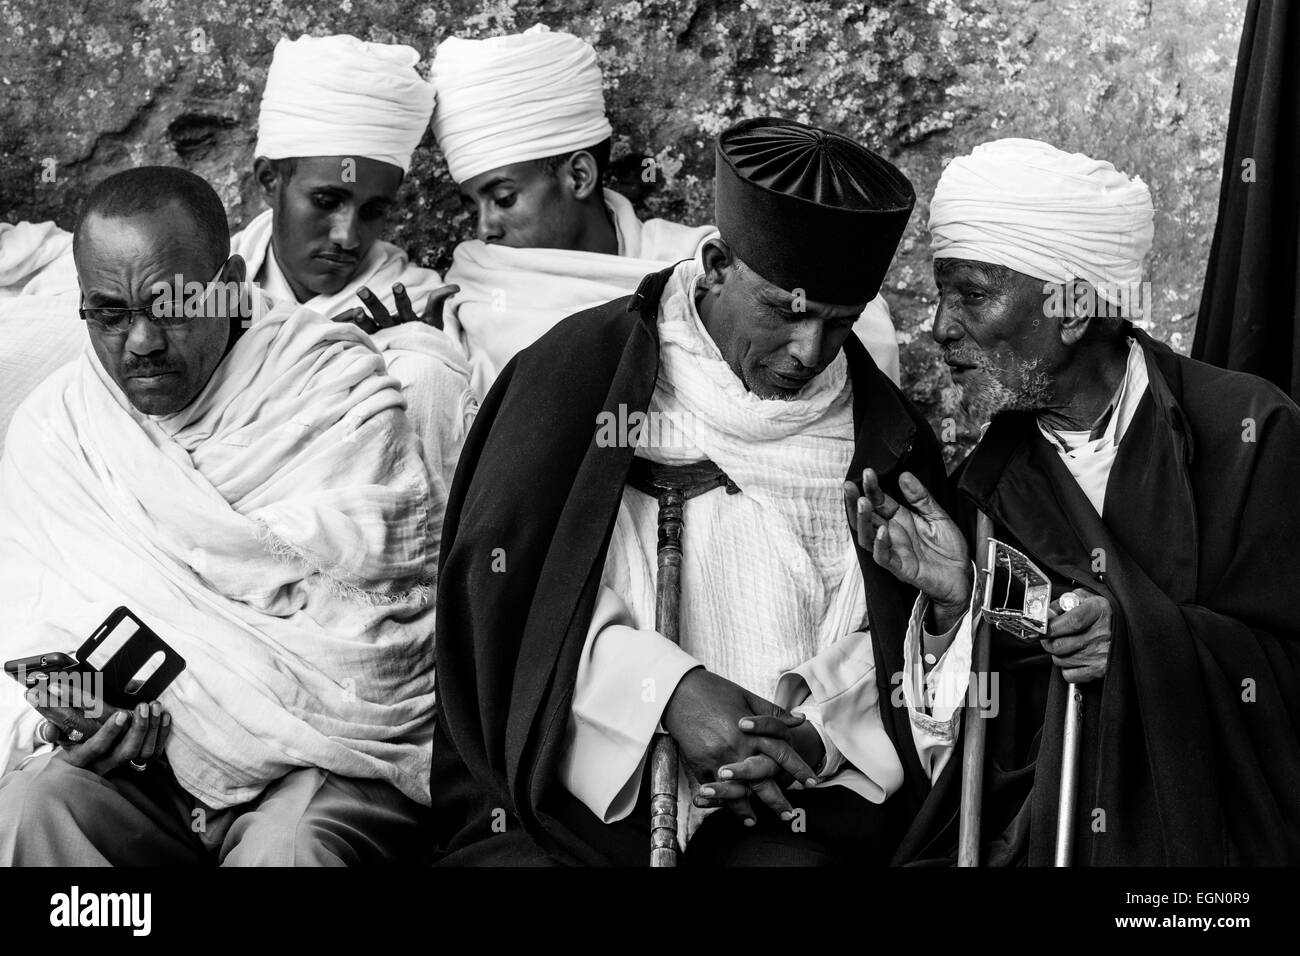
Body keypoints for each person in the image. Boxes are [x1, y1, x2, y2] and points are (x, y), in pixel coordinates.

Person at [429, 117, 960, 866]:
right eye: (787, 311)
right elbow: (504, 614)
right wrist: (666, 695)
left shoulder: (884, 435)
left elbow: (897, 641)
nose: (810, 354)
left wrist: (812, 734)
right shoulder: (575, 381)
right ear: (713, 263)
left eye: (839, 326)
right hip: (584, 801)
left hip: (802, 805)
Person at [855, 138, 1300, 865]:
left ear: (1071, 309)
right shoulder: (991, 483)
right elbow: (999, 734)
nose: (939, 327)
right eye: (943, 294)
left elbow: (1284, 678)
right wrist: (956, 603)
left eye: (970, 294)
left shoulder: (1251, 434)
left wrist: (1143, 646)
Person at [0, 167, 438, 866]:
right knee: (30, 809)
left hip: (318, 757)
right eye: (110, 314)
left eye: (169, 306)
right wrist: (76, 721)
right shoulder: (59, 428)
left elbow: (378, 645)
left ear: (231, 281)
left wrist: (213, 711)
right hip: (141, 771)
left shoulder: (333, 393)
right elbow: (27, 624)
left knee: (291, 850)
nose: (140, 342)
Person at [423, 25, 902, 399]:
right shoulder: (472, 293)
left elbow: (857, 324)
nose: (485, 227)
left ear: (579, 176)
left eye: (503, 198)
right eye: (473, 205)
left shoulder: (701, 259)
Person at [232, 33, 476, 485]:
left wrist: (419, 356)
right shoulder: (210, 289)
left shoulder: (418, 309)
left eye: (373, 211)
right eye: (326, 200)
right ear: (269, 180)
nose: (347, 236)